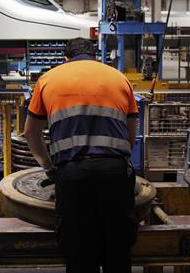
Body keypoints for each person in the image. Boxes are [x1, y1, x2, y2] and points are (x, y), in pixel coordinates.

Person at [24, 37, 139, 273]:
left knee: (78, 250)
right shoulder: (119, 77)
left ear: (66, 59)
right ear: (95, 56)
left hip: (72, 173)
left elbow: (30, 133)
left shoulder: (48, 79)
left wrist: (48, 167)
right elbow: (131, 133)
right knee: (117, 249)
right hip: (114, 172)